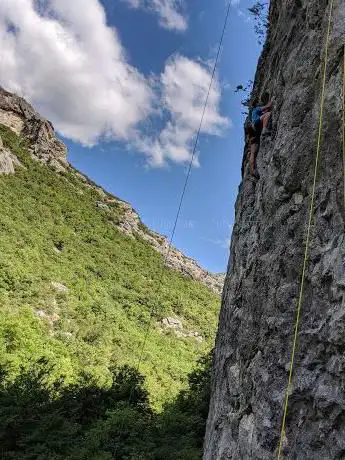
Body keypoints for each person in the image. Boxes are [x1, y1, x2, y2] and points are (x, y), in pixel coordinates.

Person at [246, 93, 273, 179]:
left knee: (254, 152)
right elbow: (267, 107)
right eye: (259, 103)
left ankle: (253, 169)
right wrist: (272, 101)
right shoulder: (256, 108)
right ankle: (265, 129)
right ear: (257, 104)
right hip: (256, 126)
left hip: (254, 133)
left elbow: (263, 111)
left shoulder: (254, 112)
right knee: (267, 114)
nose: (260, 104)